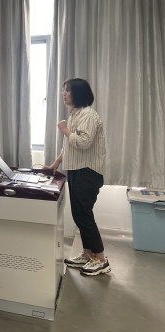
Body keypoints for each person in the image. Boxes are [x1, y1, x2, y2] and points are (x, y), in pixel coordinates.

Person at [47, 78, 108, 276]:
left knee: (84, 215)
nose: (64, 94)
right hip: (76, 170)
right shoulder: (75, 114)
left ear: (78, 93)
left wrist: (65, 129)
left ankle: (101, 260)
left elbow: (83, 143)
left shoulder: (88, 115)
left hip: (87, 172)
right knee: (78, 214)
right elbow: (69, 147)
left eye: (67, 91)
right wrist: (56, 163)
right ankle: (87, 254)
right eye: (63, 90)